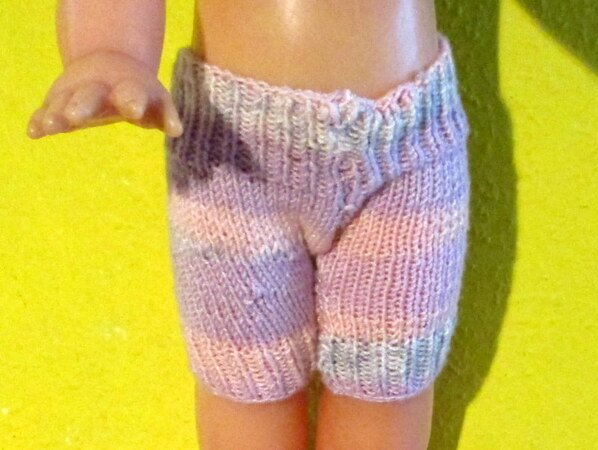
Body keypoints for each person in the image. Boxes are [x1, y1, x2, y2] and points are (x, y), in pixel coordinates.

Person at [27, 1, 471, 449]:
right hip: (232, 159)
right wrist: (107, 51)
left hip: (408, 149)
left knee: (389, 380)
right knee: (245, 383)